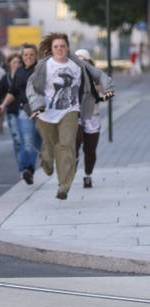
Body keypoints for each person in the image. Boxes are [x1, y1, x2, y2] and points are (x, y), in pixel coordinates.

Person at [27, 33, 114, 200]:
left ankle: (64, 186)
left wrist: (108, 87)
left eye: (62, 46)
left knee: (67, 146)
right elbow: (31, 87)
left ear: (67, 48)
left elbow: (100, 75)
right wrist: (37, 105)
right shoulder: (44, 66)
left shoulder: (78, 64)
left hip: (70, 110)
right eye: (56, 46)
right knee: (52, 145)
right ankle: (46, 156)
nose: (60, 49)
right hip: (46, 113)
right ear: (51, 49)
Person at [0, 43, 41, 185]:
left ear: (36, 56)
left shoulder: (41, 70)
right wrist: (3, 104)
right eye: (26, 55)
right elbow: (13, 91)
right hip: (24, 111)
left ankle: (30, 167)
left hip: (42, 112)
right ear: (23, 57)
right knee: (27, 141)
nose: (28, 57)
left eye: (31, 55)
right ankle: (27, 169)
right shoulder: (20, 72)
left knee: (38, 144)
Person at [74, 49, 103, 188]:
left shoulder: (96, 74)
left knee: (90, 149)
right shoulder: (70, 73)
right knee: (76, 140)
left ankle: (88, 175)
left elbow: (104, 90)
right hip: (75, 113)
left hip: (92, 114)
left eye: (83, 60)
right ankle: (72, 162)